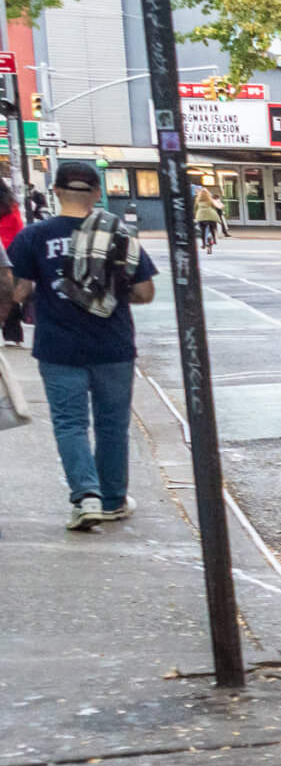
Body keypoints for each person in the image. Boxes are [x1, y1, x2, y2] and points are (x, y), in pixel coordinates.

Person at [7, 160, 159, 530]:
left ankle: (85, 496)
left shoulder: (34, 236)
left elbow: (21, 291)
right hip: (113, 346)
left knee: (70, 424)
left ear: (56, 190)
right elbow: (145, 291)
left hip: (58, 347)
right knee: (112, 425)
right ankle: (112, 500)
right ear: (96, 193)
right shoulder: (119, 234)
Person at [0, 181, 25, 346]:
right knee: (8, 291)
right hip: (11, 250)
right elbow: (19, 228)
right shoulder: (11, 205)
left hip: (5, 250)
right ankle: (12, 334)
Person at [191, 180, 221, 253]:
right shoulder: (210, 200)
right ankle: (214, 240)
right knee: (212, 228)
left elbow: (195, 209)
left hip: (201, 217)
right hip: (211, 216)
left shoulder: (198, 200)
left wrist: (195, 216)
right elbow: (214, 207)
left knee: (203, 231)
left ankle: (203, 244)